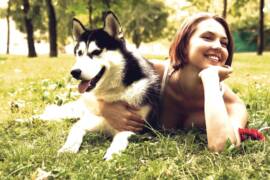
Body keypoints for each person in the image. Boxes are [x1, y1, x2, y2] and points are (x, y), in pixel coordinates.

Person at [98, 13, 248, 152]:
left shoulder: (232, 105)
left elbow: (222, 147)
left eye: (224, 43)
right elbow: (98, 79)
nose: (217, 46)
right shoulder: (152, 72)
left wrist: (210, 79)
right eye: (207, 38)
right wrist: (103, 106)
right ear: (184, 44)